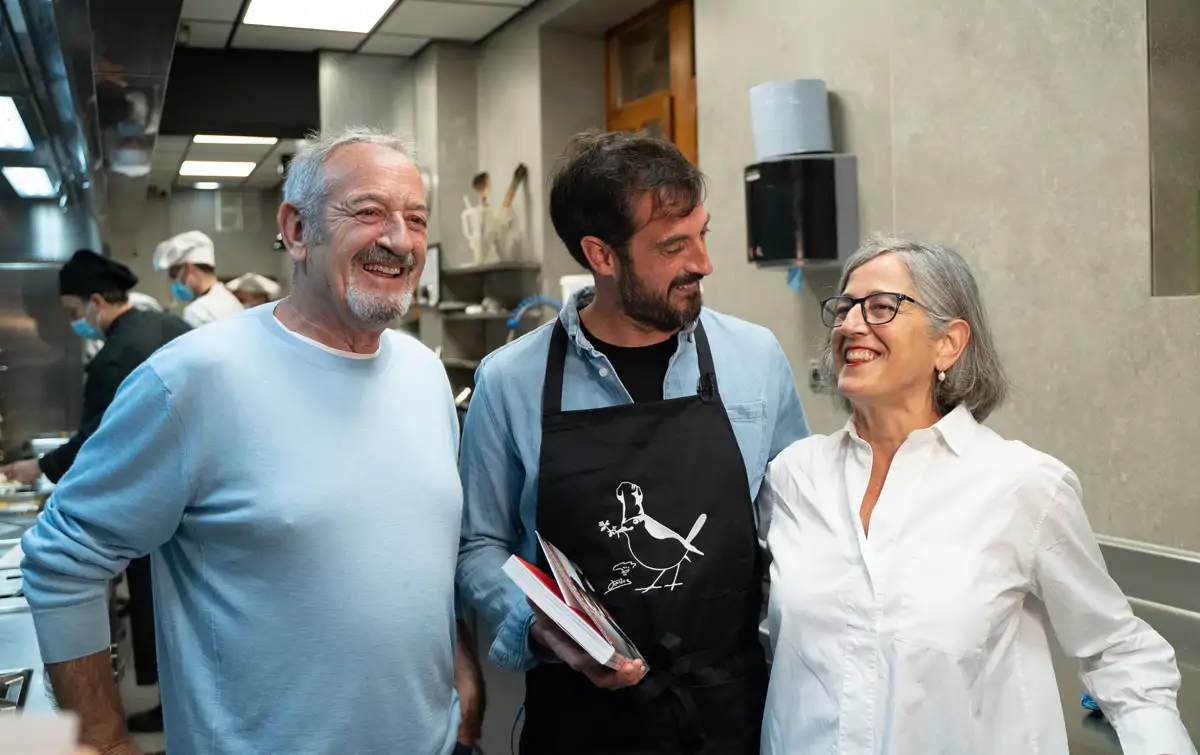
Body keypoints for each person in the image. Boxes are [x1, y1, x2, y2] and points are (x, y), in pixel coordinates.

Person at [21, 127, 482, 755]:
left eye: (415, 218)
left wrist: (459, 668)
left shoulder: (424, 373)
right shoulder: (193, 379)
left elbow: (419, 553)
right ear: (295, 230)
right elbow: (64, 558)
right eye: (369, 213)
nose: (398, 240)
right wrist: (99, 739)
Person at [757, 236, 1195, 754]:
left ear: (949, 342)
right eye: (845, 308)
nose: (850, 324)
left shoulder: (1021, 485)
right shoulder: (793, 478)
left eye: (880, 308)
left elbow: (1118, 652)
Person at [457, 130, 809, 755]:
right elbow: (479, 544)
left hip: (733, 709)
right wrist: (538, 626)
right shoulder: (510, 381)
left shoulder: (753, 359)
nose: (703, 262)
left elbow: (795, 526)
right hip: (581, 719)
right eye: (674, 245)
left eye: (703, 234)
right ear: (603, 255)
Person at [1, 250, 190, 487]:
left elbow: (97, 440)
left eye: (73, 312)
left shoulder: (112, 357)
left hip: (158, 480)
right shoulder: (173, 325)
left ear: (97, 302)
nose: (74, 322)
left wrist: (41, 467)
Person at [152, 230, 243, 326]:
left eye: (173, 275)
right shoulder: (230, 300)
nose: (173, 283)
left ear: (188, 269)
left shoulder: (197, 312)